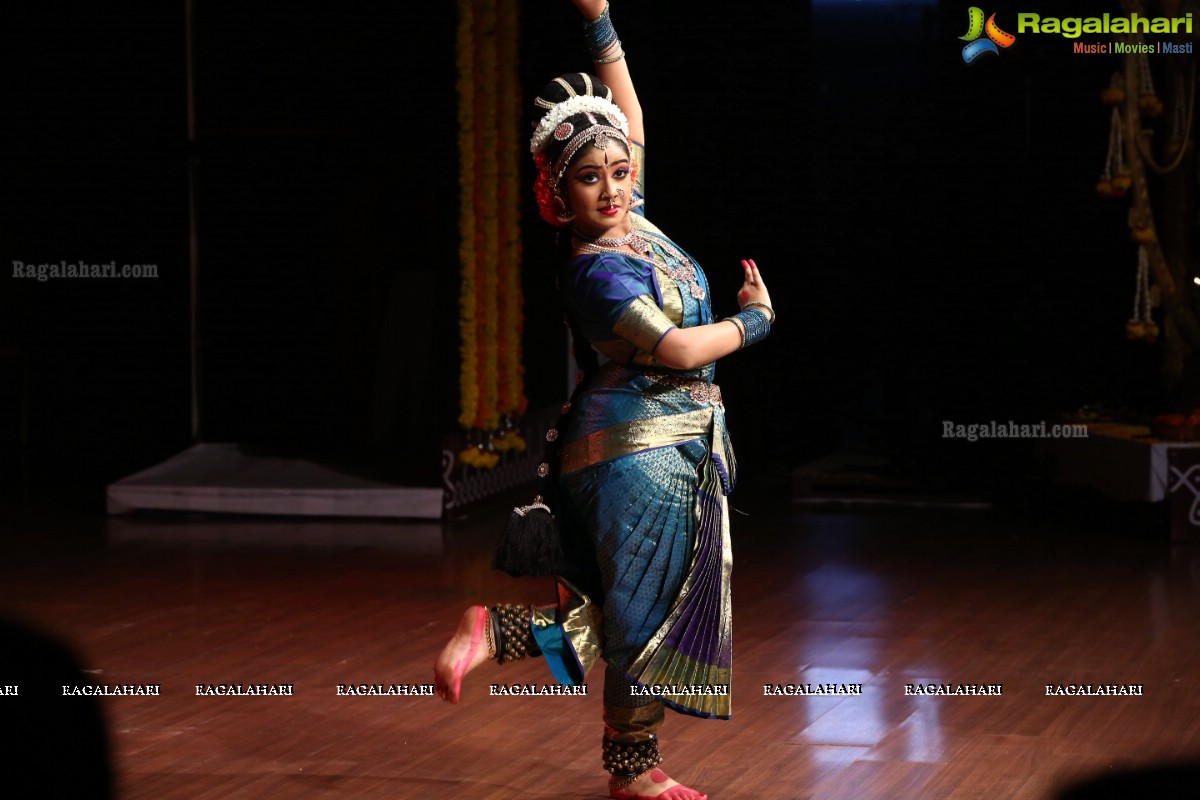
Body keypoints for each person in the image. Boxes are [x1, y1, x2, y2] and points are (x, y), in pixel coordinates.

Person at [434, 2, 774, 798]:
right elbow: (683, 349)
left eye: (621, 171)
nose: (615, 188)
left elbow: (630, 113)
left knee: (621, 615)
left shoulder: (636, 223)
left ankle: (500, 636)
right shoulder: (597, 268)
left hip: (668, 441)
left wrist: (599, 19)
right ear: (559, 193)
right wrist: (754, 322)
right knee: (640, 616)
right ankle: (635, 773)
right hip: (635, 451)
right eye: (590, 178)